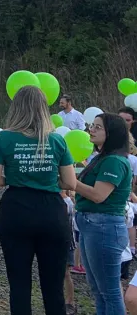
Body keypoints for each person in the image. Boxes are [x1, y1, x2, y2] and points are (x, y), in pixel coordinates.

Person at [0, 85, 77, 315]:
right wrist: (44, 179)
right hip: (51, 211)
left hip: (16, 209)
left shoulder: (3, 138)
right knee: (53, 287)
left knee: (19, 285)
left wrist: (18, 177)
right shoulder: (57, 140)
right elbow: (70, 182)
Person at [73, 113, 132, 315]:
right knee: (98, 290)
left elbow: (99, 195)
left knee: (109, 291)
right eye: (92, 125)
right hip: (93, 225)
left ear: (112, 133)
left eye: (98, 127)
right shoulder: (102, 158)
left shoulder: (114, 161)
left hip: (104, 227)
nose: (91, 129)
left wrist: (72, 182)